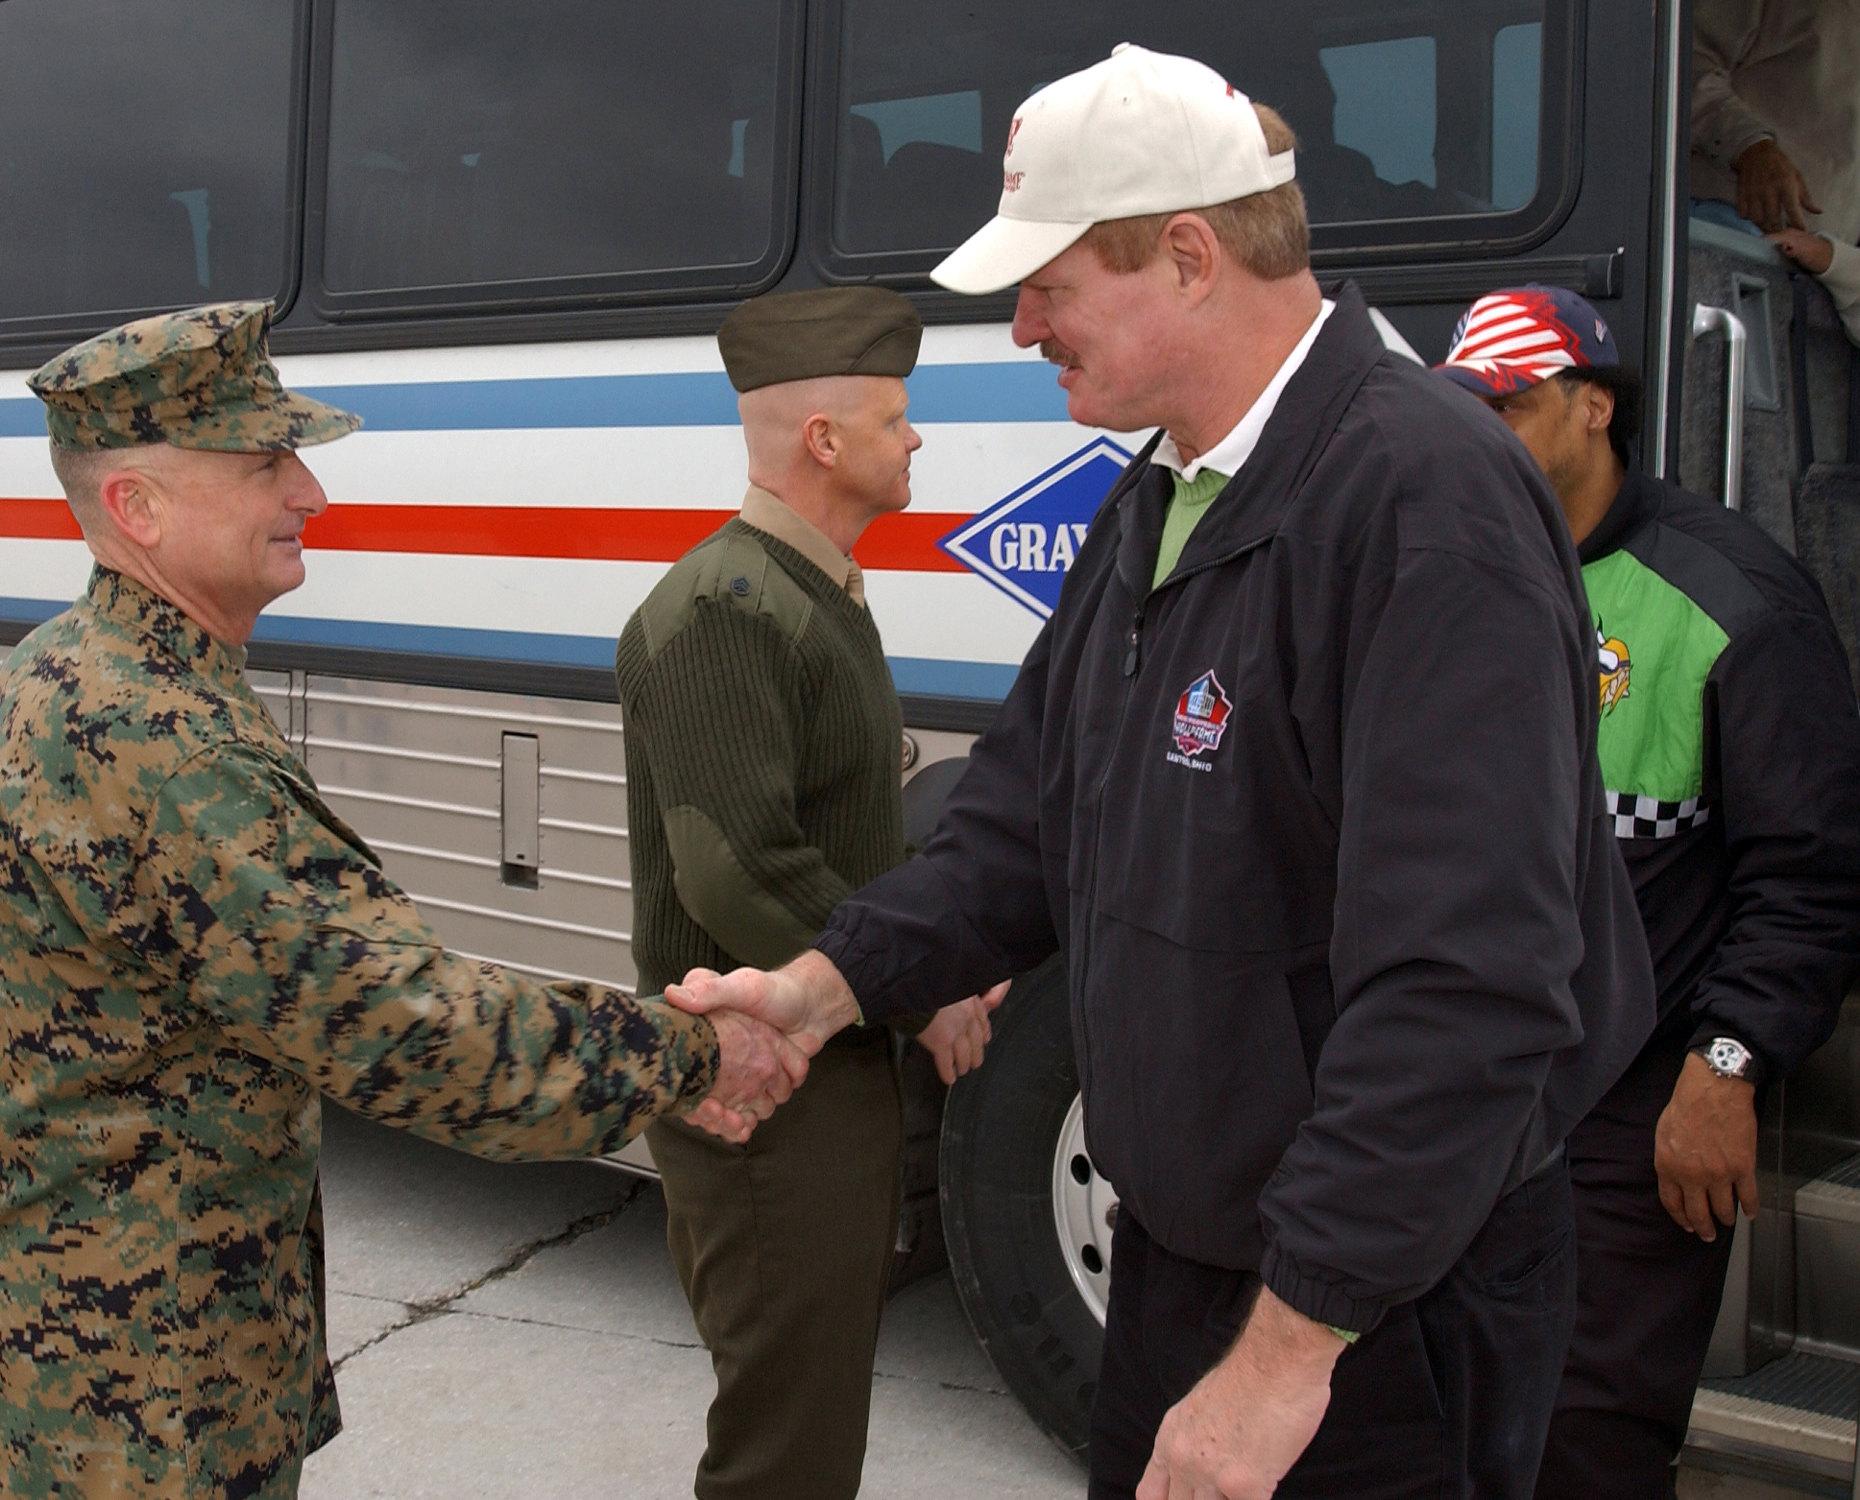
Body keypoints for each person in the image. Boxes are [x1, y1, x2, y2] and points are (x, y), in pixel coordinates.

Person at [669, 46, 1657, 1500]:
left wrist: (1280, 1363)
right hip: (1187, 1266)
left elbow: (1470, 984)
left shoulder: (1422, 501)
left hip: (1373, 1316)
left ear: (1189, 256)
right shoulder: (1168, 488)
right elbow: (1022, 819)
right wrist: (820, 992)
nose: (1020, 330)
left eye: (1050, 286)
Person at [0, 301, 800, 1500]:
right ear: (138, 510)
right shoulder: (158, 743)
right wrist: (693, 1055)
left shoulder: (58, 669)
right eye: (266, 460)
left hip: (52, 1339)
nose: (309, 492)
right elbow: (416, 1031)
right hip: (120, 1396)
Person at [1439, 286, 1860, 1499]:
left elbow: (1813, 875)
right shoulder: (1450, 564)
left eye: (1508, 406)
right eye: (1463, 409)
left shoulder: (1734, 599)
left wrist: (1728, 1066)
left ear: (1594, 407)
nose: (1481, 432)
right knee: (1444, 1417)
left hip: (1632, 1109)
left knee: (1587, 1438)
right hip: (1462, 1086)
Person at [617, 285, 1003, 1500]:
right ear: (824, 442)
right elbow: (740, 872)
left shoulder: (809, 591)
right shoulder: (727, 609)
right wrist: (915, 992)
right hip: (761, 1094)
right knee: (786, 1444)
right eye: (896, 418)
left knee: (815, 1413)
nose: (918, 439)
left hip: (815, 1073)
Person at [1691, 0, 1860, 340]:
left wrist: (1833, 261)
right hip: (1721, 236)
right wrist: (1750, 145)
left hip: (1823, 291)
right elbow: (1677, 62)